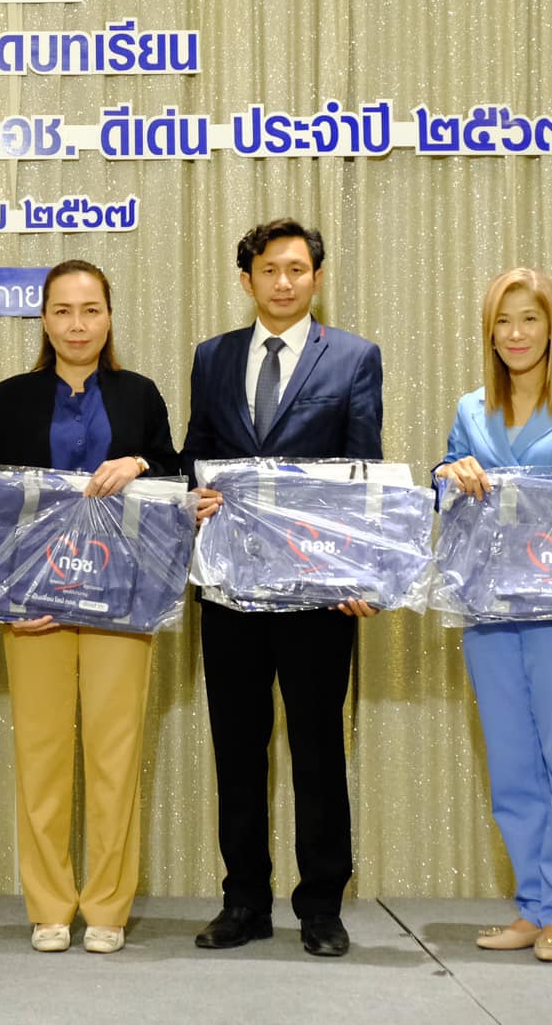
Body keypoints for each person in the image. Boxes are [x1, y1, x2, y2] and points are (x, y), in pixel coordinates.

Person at [181, 217, 383, 959]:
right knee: (237, 748)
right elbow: (197, 453)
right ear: (247, 280)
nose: (284, 282)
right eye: (269, 270)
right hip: (230, 589)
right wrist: (191, 494)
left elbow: (364, 472)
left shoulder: (354, 357)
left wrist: (359, 572)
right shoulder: (212, 357)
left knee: (318, 747)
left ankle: (321, 906)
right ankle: (244, 901)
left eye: (298, 269)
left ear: (317, 278)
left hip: (317, 593)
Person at [0, 260, 179, 956]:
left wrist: (141, 464)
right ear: (43, 319)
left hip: (121, 600)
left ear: (110, 317)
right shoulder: (11, 397)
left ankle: (108, 907)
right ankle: (49, 905)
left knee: (115, 756)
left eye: (90, 310)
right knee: (41, 755)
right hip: (33, 601)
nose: (77, 324)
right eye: (62, 310)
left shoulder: (139, 394)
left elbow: (177, 476)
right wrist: (1, 600)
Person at [434, 267, 552, 965]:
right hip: (488, 610)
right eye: (503, 321)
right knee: (512, 766)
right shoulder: (470, 409)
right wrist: (446, 474)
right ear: (490, 332)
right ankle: (534, 904)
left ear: (551, 327)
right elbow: (444, 492)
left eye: (529, 319)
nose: (516, 334)